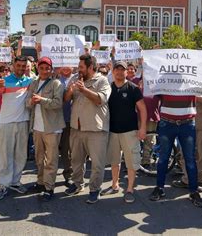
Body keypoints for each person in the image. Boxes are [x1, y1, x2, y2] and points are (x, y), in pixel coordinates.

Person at [64, 54, 112, 204]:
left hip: (95, 129)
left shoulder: (102, 80)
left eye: (81, 67)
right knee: (76, 160)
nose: (79, 70)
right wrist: (70, 91)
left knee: (97, 163)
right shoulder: (75, 79)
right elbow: (66, 100)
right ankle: (78, 184)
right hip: (76, 128)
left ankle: (94, 189)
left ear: (90, 67)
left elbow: (100, 100)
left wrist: (83, 89)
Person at [101, 61, 146, 203]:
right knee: (114, 161)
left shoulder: (133, 88)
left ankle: (129, 189)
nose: (120, 72)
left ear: (127, 72)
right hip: (112, 131)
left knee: (131, 162)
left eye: (123, 70)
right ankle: (114, 185)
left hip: (130, 132)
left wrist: (143, 127)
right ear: (113, 71)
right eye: (117, 70)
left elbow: (142, 109)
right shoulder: (108, 88)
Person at [0, 56, 33, 200]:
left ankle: (15, 181)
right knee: (5, 155)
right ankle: (3, 184)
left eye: (24, 66)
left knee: (21, 155)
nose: (21, 68)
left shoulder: (30, 81)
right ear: (13, 65)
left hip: (23, 122)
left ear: (28, 66)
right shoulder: (4, 81)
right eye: (19, 65)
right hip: (6, 123)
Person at [26, 57, 65, 201]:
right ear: (38, 68)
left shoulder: (56, 83)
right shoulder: (34, 83)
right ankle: (40, 182)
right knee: (39, 158)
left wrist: (41, 100)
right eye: (42, 68)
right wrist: (31, 101)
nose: (44, 71)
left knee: (51, 160)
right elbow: (27, 102)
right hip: (37, 127)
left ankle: (49, 187)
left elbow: (57, 103)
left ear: (51, 69)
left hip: (52, 127)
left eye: (47, 68)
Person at [172, 80, 202, 192]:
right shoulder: (187, 79)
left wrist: (196, 97)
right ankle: (187, 179)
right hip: (185, 122)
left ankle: (201, 180)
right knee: (185, 153)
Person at [58, 66, 75, 185]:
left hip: (73, 120)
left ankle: (70, 174)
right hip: (57, 119)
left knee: (71, 149)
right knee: (61, 149)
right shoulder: (55, 80)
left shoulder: (79, 79)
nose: (65, 67)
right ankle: (46, 178)